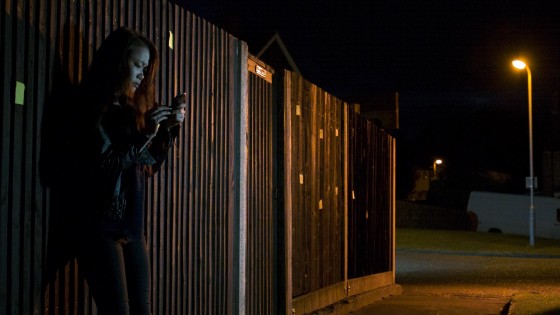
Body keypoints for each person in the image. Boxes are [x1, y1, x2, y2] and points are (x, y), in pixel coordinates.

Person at [75, 27, 186, 315]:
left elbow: (146, 165)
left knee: (142, 310)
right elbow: (105, 166)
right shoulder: (95, 109)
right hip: (100, 227)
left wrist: (166, 133)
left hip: (132, 227)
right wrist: (144, 135)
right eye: (137, 65)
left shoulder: (130, 111)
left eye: (145, 67)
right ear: (119, 61)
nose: (142, 74)